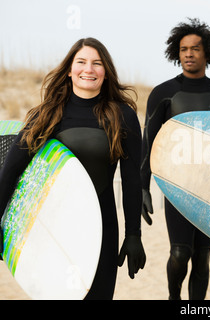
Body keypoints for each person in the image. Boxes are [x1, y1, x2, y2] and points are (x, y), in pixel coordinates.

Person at [0, 37, 146, 300]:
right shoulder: (47, 114)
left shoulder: (122, 115)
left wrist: (133, 234)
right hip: (54, 227)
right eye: (81, 62)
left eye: (97, 63)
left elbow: (132, 179)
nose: (88, 69)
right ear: (69, 69)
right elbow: (10, 171)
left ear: (106, 71)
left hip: (101, 227)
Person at [140, 18, 210, 300]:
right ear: (176, 52)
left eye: (195, 48)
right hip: (176, 186)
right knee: (180, 252)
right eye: (184, 49)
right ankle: (174, 297)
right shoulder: (164, 94)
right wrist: (143, 186)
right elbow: (150, 142)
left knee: (202, 257)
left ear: (207, 52)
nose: (189, 54)